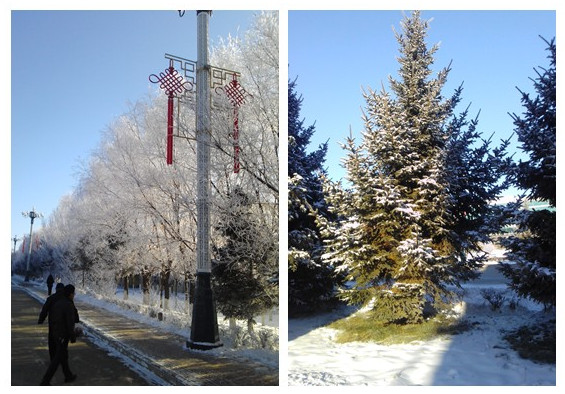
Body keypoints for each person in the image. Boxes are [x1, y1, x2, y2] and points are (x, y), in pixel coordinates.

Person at [40, 284, 78, 385]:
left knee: (63, 355)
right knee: (57, 359)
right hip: (62, 334)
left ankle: (68, 376)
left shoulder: (58, 301)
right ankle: (45, 381)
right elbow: (70, 323)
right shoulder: (68, 304)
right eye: (73, 293)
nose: (74, 295)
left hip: (55, 330)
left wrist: (41, 319)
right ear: (70, 294)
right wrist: (73, 337)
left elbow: (46, 310)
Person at [38, 282, 65, 360]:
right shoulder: (66, 298)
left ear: (56, 289)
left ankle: (53, 358)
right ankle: (61, 357)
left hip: (53, 323)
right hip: (63, 323)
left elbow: (45, 309)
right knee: (62, 340)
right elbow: (72, 310)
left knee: (52, 340)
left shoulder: (51, 298)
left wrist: (41, 319)